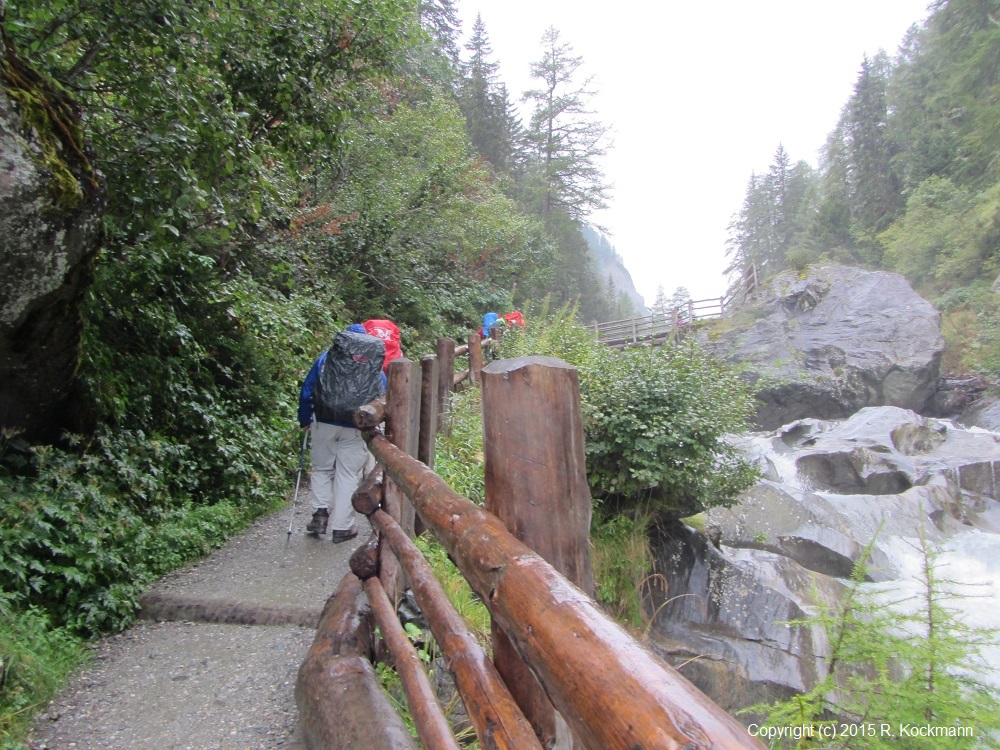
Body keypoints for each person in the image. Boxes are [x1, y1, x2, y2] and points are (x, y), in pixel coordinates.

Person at [297, 324, 386, 542]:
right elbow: (381, 394)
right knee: (348, 474)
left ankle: (320, 514)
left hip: (324, 421)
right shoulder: (372, 363)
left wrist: (304, 418)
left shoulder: (327, 358)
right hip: (355, 425)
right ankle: (342, 527)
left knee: (322, 469)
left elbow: (308, 390)